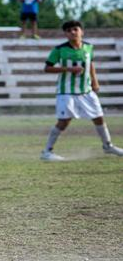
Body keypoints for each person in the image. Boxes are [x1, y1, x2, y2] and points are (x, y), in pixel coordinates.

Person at [40, 20, 123, 161]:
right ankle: (47, 152)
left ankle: (108, 146)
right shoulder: (59, 49)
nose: (72, 32)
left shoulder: (89, 47)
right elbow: (47, 68)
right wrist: (68, 69)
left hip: (86, 91)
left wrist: (95, 82)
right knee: (64, 121)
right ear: (65, 34)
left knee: (99, 117)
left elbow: (91, 65)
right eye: (68, 30)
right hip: (66, 91)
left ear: (81, 31)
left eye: (75, 29)